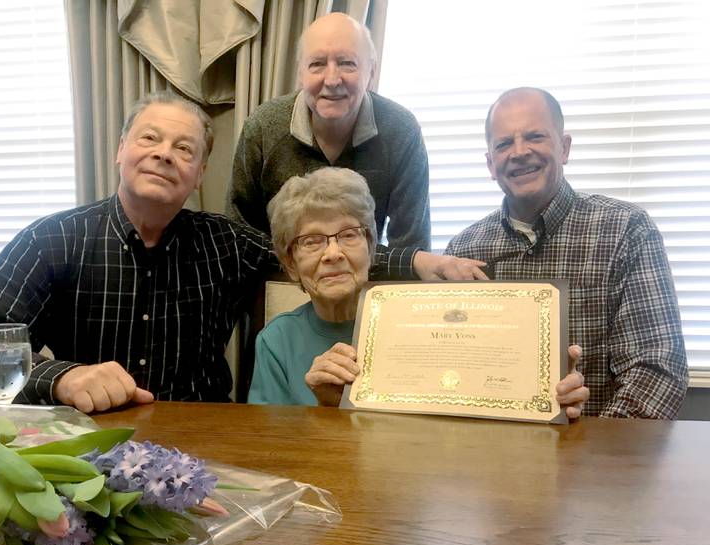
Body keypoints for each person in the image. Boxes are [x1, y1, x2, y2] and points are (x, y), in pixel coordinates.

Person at [0, 91, 484, 414]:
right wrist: (60, 378)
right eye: (149, 139)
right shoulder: (50, 241)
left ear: (200, 174)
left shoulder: (225, 243)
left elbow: (314, 248)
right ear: (120, 151)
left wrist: (414, 261)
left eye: (185, 149)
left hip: (210, 451)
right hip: (88, 448)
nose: (164, 155)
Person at [249, 167, 588, 413]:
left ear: (371, 248)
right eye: (312, 241)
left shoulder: (425, 323)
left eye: (349, 235)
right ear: (291, 263)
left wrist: (548, 392)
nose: (334, 253)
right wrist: (325, 408)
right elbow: (274, 448)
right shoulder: (276, 342)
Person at [446, 87, 688, 419]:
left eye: (535, 136)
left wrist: (590, 460)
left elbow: (656, 370)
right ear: (490, 163)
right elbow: (450, 372)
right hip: (488, 457)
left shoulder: (626, 231)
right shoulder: (462, 250)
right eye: (504, 144)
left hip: (598, 459)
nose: (519, 152)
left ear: (564, 148)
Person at [227, 12, 430, 250]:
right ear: (300, 74)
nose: (332, 80)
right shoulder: (262, 127)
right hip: (279, 279)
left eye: (347, 63)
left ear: (371, 73)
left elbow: (412, 249)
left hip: (367, 278)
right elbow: (238, 240)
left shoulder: (401, 131)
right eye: (317, 64)